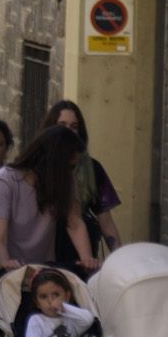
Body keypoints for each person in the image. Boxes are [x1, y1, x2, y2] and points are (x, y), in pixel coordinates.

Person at [0, 125, 96, 276]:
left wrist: (87, 260)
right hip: (11, 271)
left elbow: (75, 223)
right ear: (55, 162)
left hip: (44, 272)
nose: (72, 172)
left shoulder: (64, 180)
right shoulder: (6, 179)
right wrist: (5, 268)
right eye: (70, 166)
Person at [41, 100, 124, 259]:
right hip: (44, 253)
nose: (68, 132)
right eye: (62, 125)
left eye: (74, 127)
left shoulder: (92, 169)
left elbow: (105, 221)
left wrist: (118, 258)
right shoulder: (36, 167)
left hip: (81, 257)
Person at [24, 268, 92, 337]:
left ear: (67, 296)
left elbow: (88, 320)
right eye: (43, 297)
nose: (50, 301)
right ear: (37, 303)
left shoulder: (71, 318)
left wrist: (64, 307)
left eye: (56, 295)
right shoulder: (36, 320)